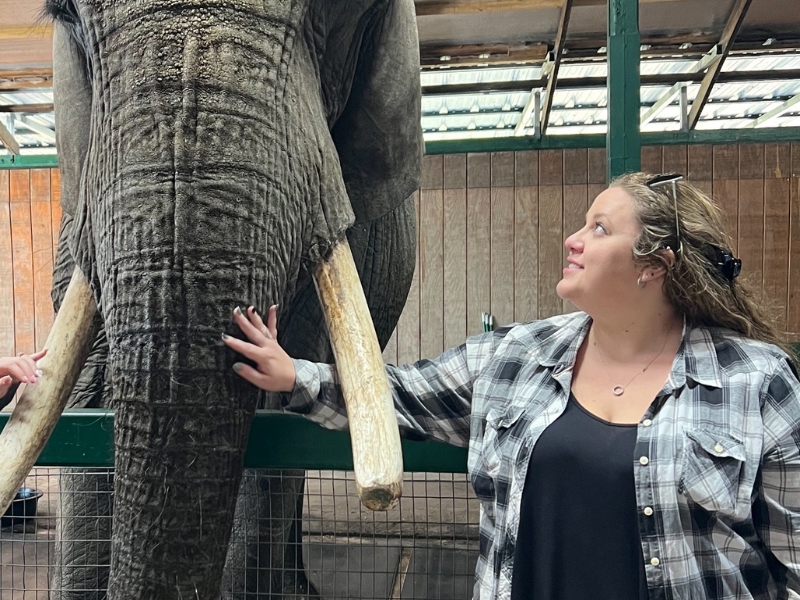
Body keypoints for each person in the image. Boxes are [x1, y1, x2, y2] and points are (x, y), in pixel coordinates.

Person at [222, 172, 800, 600]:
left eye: (598, 228)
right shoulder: (518, 356)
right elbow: (399, 395)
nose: (572, 239)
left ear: (655, 265)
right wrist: (296, 374)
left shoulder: (756, 383)